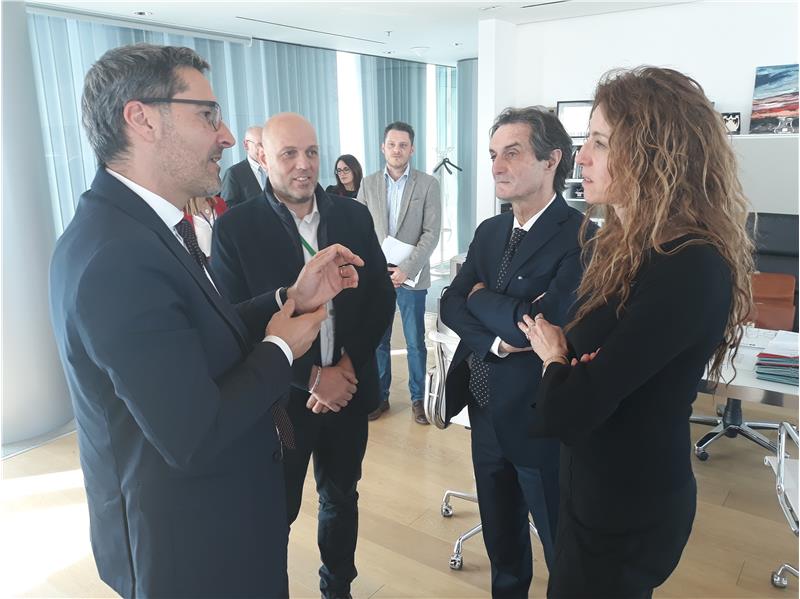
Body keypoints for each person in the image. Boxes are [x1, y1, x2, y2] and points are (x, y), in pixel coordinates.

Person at [49, 44, 365, 598]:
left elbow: (195, 332)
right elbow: (192, 434)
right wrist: (281, 349)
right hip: (193, 547)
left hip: (220, 522)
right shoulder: (117, 256)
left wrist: (290, 297)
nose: (227, 136)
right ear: (142, 119)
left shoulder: (142, 228)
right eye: (207, 115)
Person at [517, 67, 754, 599]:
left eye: (599, 142)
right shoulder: (626, 245)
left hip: (627, 508)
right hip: (594, 488)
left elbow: (567, 408)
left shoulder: (689, 265)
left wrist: (556, 357)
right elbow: (585, 376)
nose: (581, 157)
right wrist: (571, 366)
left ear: (654, 153)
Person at [211, 112, 395, 599]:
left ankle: (338, 588)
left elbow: (380, 297)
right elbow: (236, 326)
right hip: (281, 403)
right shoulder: (235, 230)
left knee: (341, 497)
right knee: (278, 511)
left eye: (311, 152)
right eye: (288, 154)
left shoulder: (352, 216)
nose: (303, 164)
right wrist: (312, 378)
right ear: (262, 157)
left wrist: (348, 367)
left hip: (348, 393)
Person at [440, 106, 592, 597]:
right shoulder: (489, 231)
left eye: (511, 153)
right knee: (502, 543)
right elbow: (448, 303)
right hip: (483, 411)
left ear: (552, 160)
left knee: (560, 547)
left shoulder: (583, 236)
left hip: (538, 418)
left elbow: (545, 325)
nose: (497, 167)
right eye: (492, 155)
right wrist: (496, 337)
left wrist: (480, 297)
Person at [358, 121, 442, 424]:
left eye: (403, 145)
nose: (397, 150)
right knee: (379, 340)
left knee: (415, 341)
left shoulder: (428, 184)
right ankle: (380, 397)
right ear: (383, 147)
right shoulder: (368, 184)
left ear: (412, 149)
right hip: (377, 277)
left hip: (412, 277)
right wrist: (375, 269)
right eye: (392, 144)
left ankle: (418, 398)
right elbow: (360, 230)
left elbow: (431, 233)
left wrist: (406, 269)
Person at [220, 124, 265, 207]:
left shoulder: (275, 169)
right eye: (259, 145)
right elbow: (227, 208)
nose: (264, 149)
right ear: (246, 145)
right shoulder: (234, 174)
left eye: (266, 144)